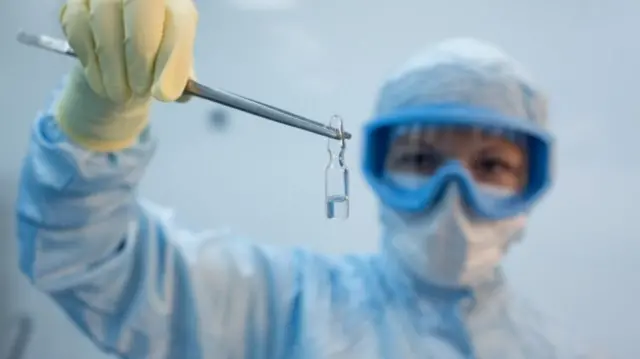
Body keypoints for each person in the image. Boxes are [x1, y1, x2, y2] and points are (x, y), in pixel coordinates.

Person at [15, 0, 607, 358]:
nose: (453, 196)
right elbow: (88, 263)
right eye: (422, 162)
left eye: (492, 166)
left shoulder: (565, 352)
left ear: (532, 185)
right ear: (377, 173)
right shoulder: (285, 305)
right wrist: (100, 119)